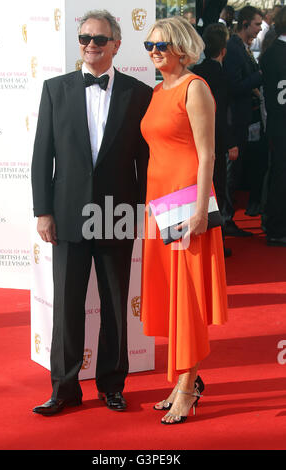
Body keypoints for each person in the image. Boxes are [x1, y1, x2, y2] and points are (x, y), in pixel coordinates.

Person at [31, 9, 152, 416]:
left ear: (117, 44)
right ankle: (63, 388)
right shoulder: (55, 89)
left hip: (117, 213)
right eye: (84, 38)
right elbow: (41, 158)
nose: (90, 45)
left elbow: (144, 161)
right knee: (66, 304)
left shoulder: (139, 93)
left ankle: (112, 385)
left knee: (117, 303)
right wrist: (43, 211)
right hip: (66, 214)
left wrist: (140, 211)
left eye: (99, 39)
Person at [140, 16, 228, 425]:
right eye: (149, 46)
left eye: (161, 45)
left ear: (181, 46)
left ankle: (189, 386)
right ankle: (181, 380)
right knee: (172, 293)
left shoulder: (195, 88)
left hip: (185, 206)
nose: (154, 52)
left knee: (188, 295)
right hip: (159, 205)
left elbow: (207, 153)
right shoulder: (159, 91)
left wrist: (198, 211)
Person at [193, 23, 238, 258]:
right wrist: (230, 143)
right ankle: (216, 244)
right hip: (215, 144)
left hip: (199, 143)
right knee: (216, 193)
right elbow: (218, 114)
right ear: (223, 49)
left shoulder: (197, 70)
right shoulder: (218, 74)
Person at [222, 6, 264, 236]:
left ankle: (228, 219)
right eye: (257, 24)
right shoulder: (234, 49)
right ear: (245, 23)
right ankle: (226, 219)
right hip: (234, 119)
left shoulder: (242, 48)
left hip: (245, 118)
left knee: (236, 170)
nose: (260, 28)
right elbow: (234, 86)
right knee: (231, 170)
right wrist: (258, 77)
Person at [260, 7, 286, 246]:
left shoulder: (268, 55)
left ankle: (273, 224)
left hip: (276, 125)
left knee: (278, 175)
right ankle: (277, 227)